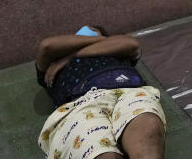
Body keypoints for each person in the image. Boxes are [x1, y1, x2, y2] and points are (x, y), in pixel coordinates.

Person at [35, 26, 166, 159]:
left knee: (149, 128)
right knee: (104, 156)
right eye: (76, 37)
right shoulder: (52, 66)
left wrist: (71, 56)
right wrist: (76, 50)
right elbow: (47, 46)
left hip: (128, 91)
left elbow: (131, 43)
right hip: (79, 105)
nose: (83, 32)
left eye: (92, 29)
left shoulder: (117, 51)